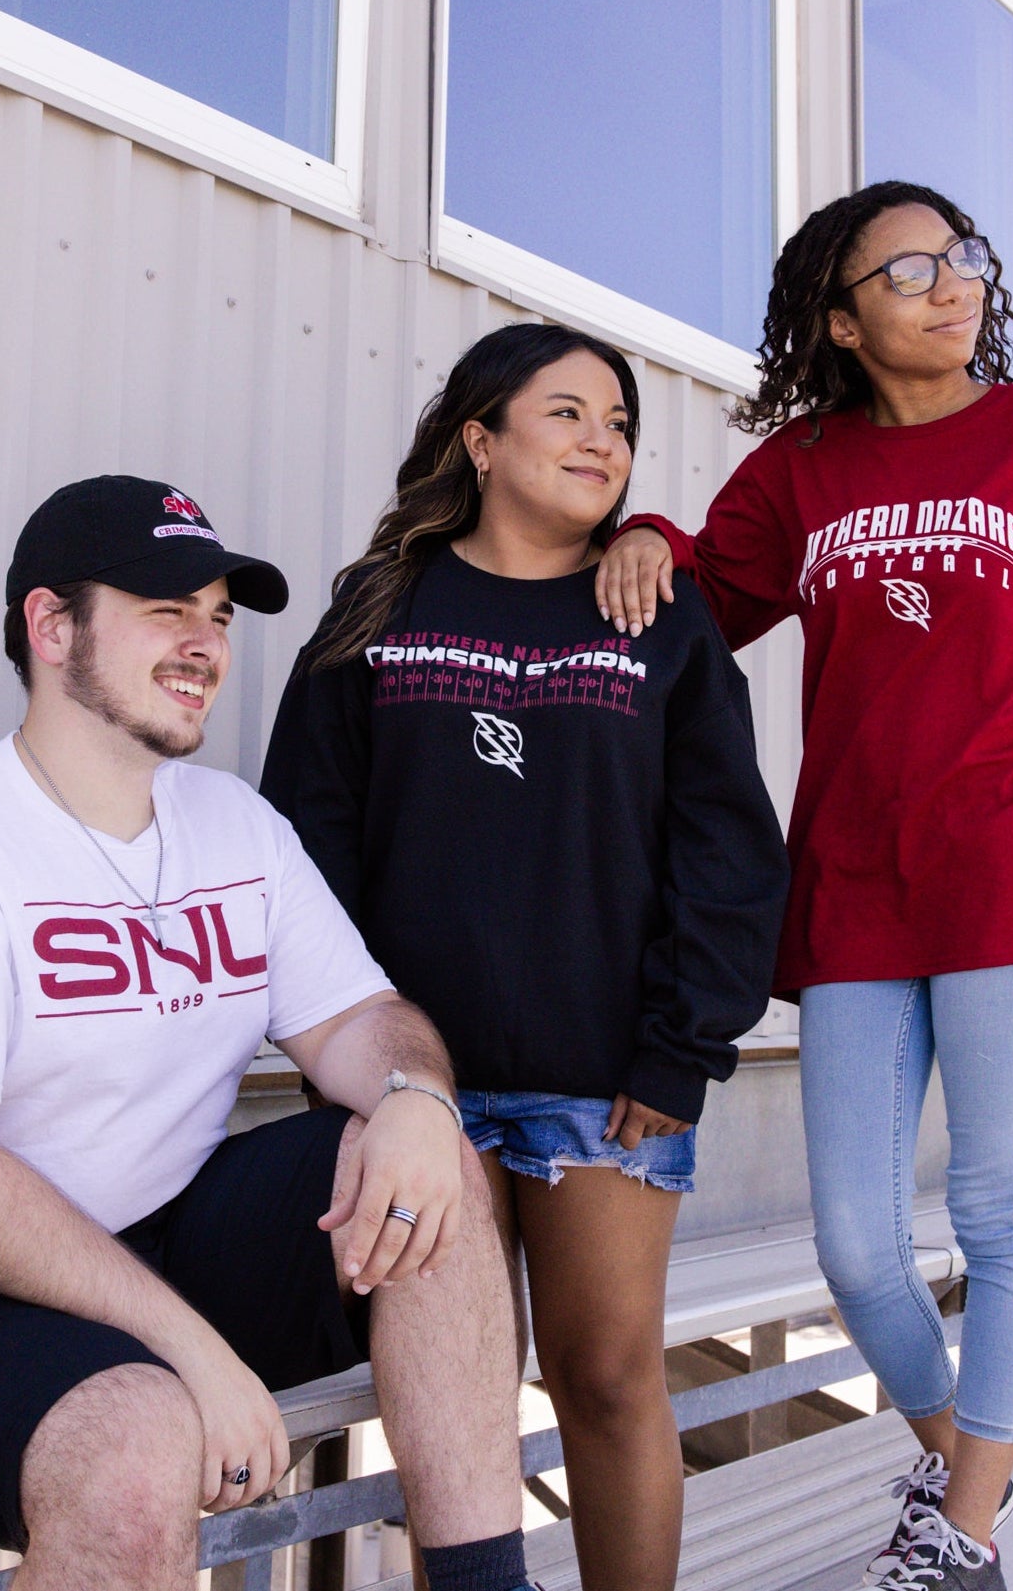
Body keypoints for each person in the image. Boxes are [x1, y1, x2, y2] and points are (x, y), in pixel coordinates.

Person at [594, 183, 1013, 1590]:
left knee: (995, 1210)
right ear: (841, 323)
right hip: (850, 882)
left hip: (1004, 878)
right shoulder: (801, 471)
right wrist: (645, 530)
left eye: (960, 258)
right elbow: (705, 603)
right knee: (855, 1246)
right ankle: (957, 1464)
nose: (951, 283)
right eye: (906, 271)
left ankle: (959, 1534)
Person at [0, 475, 541, 1591]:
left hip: (154, 1238)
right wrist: (191, 1354)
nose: (205, 644)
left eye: (218, 616)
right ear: (50, 626)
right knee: (137, 1445)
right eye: (166, 610)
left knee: (431, 1169)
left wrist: (418, 1098)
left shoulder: (236, 825)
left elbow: (363, 1019)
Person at [262, 323, 789, 1591]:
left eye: (619, 424)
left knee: (606, 1380)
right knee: (452, 1403)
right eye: (567, 413)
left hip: (604, 1085)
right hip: (413, 1093)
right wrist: (346, 1058)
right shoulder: (380, 605)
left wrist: (680, 1048)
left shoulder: (659, 616)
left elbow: (727, 851)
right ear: (480, 440)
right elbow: (304, 846)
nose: (602, 440)